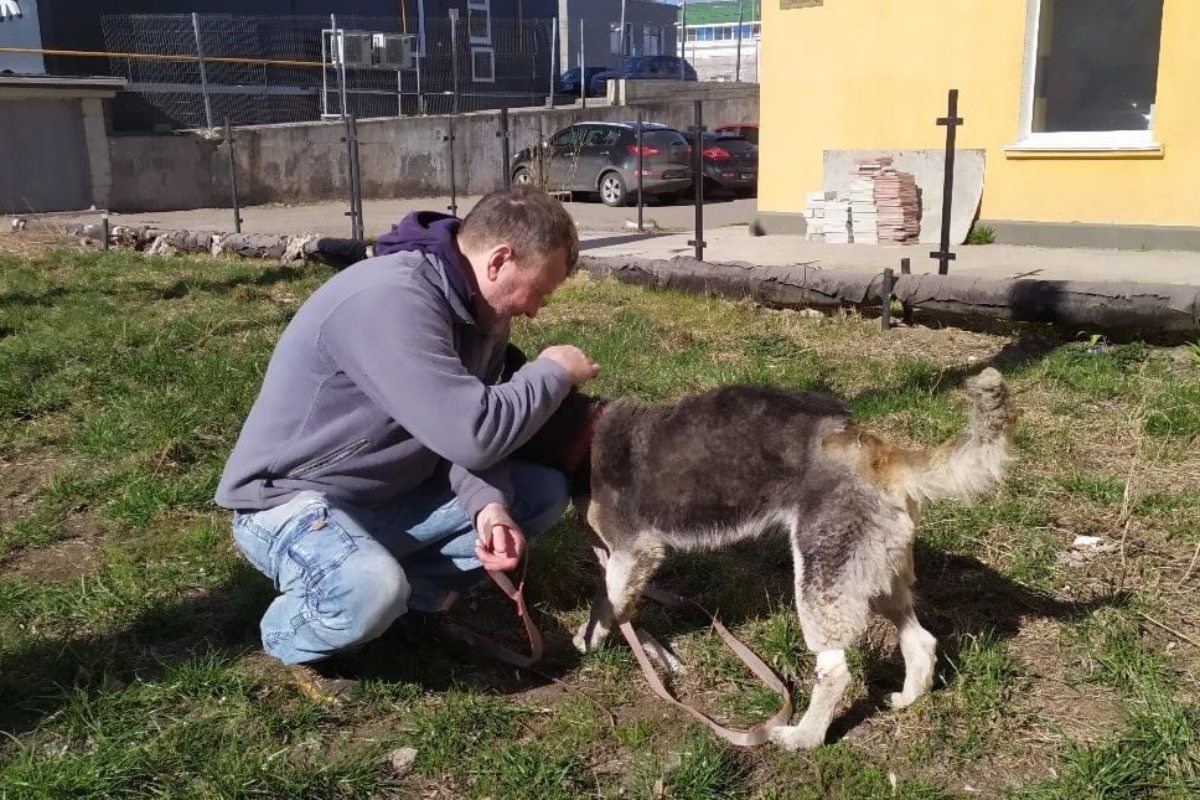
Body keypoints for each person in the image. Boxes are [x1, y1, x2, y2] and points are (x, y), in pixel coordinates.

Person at [215, 187, 599, 702]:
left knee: (538, 493)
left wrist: (487, 509)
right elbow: (475, 431)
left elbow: (458, 441)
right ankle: (293, 637)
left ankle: (416, 610)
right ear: (500, 259)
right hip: (290, 501)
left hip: (386, 494)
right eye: (537, 290)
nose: (535, 310)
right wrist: (552, 372)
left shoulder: (481, 313)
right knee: (372, 588)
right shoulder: (391, 300)